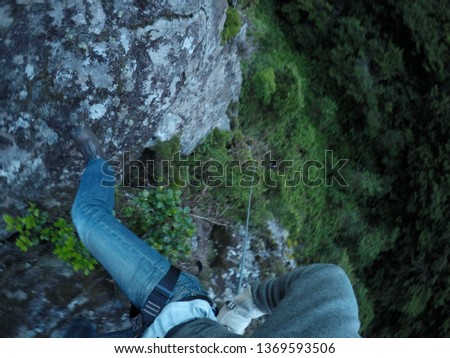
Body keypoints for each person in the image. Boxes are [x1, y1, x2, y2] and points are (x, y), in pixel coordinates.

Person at [71, 128, 360, 338]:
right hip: (177, 305)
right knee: (88, 219)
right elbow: (328, 280)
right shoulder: (335, 329)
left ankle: (80, 332)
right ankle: (100, 166)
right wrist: (245, 307)